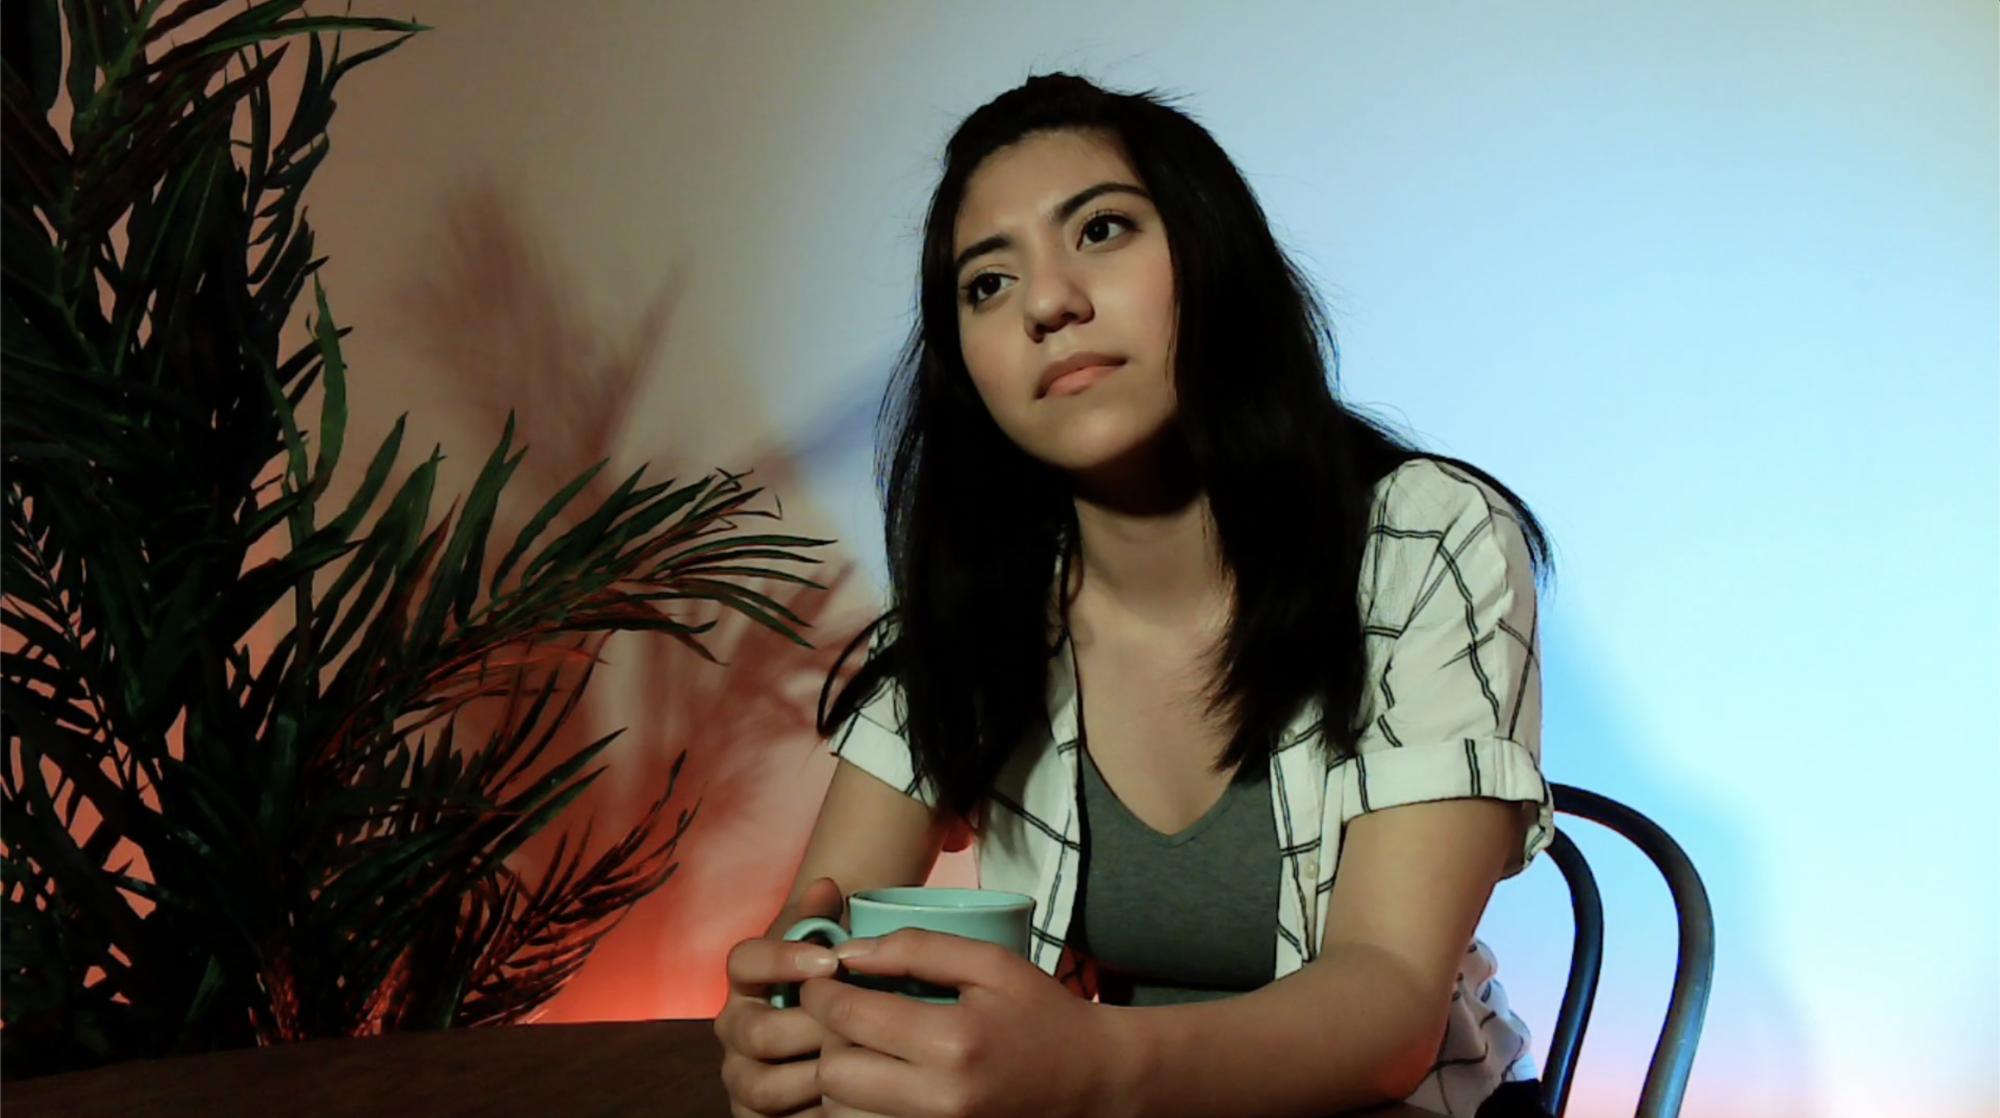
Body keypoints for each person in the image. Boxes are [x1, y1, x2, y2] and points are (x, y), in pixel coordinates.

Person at [715, 71, 1558, 1118]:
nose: (1046, 302)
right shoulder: (976, 607)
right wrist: (784, 1025)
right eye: (986, 283)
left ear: (1214, 260)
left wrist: (1086, 1063)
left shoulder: (1424, 538)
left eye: (1101, 229)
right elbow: (818, 923)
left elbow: (1389, 1009)